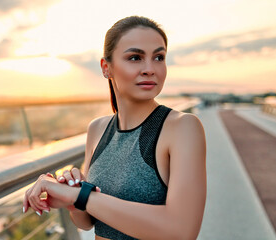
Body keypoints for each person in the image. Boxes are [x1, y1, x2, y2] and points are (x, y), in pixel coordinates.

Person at [23, 15, 206, 240]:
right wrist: (72, 197)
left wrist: (82, 195)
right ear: (106, 67)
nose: (150, 68)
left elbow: (182, 231)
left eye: (158, 57)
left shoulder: (182, 127)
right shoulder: (97, 129)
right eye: (135, 57)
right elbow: (86, 222)